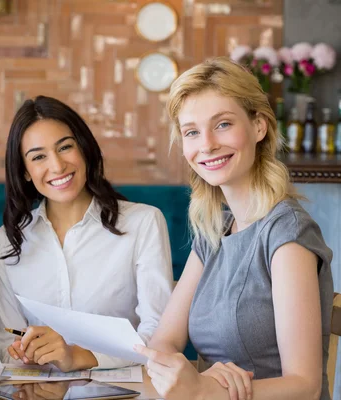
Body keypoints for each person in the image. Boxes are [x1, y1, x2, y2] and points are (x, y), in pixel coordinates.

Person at [134, 57, 334, 400]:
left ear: (259, 126)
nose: (207, 144)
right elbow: (163, 342)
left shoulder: (287, 233)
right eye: (192, 132)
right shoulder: (216, 231)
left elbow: (305, 385)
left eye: (223, 124)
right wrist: (192, 378)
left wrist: (205, 389)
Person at [0, 95, 173, 372]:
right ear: (25, 171)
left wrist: (77, 357)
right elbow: (8, 343)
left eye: (65, 147)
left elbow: (160, 336)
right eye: (38, 156)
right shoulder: (8, 240)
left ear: (85, 150)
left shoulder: (143, 223)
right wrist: (23, 354)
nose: (57, 166)